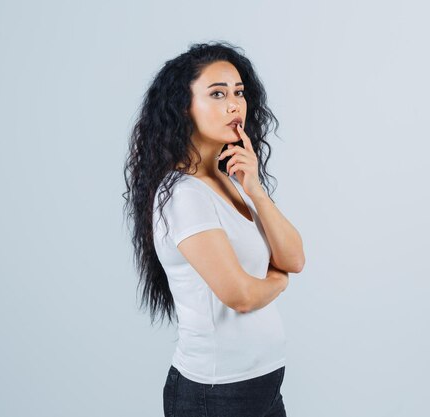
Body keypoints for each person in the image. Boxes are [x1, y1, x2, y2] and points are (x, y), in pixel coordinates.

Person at [122, 41, 305, 417]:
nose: (234, 104)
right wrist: (278, 282)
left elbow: (295, 257)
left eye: (239, 92)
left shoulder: (231, 180)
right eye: (217, 94)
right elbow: (238, 294)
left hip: (264, 386)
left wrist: (254, 187)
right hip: (215, 395)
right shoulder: (183, 195)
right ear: (183, 107)